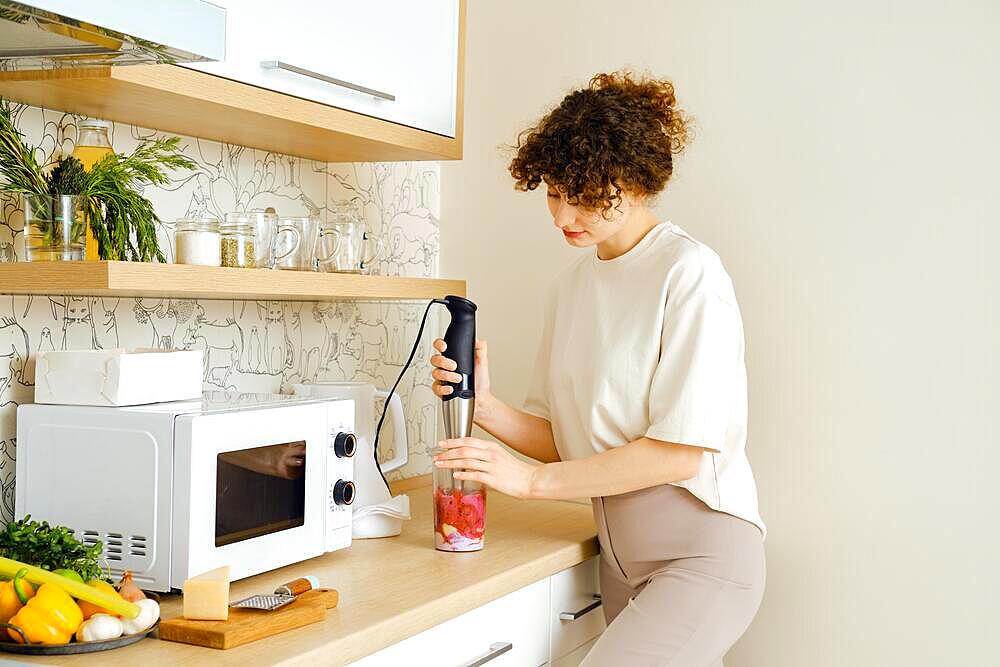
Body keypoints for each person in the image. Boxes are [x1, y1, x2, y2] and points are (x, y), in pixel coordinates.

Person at [431, 71, 765, 666]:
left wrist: (530, 483)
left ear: (636, 183)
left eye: (584, 195)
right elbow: (569, 440)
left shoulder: (688, 272)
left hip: (702, 558)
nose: (564, 214)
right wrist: (482, 408)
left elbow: (679, 451)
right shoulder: (570, 288)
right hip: (618, 565)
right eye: (555, 192)